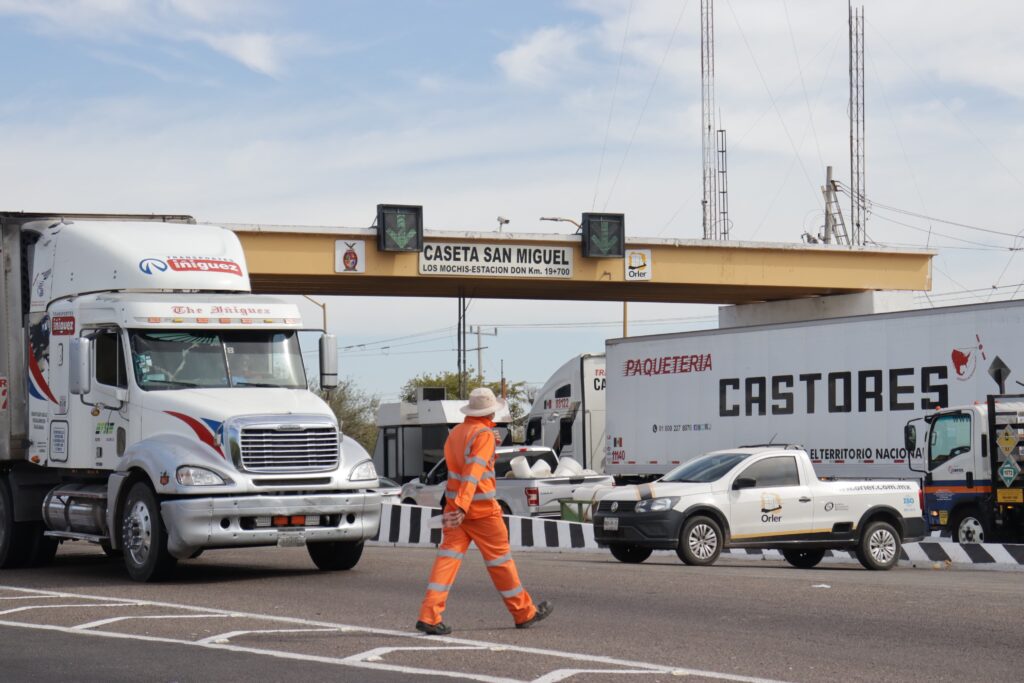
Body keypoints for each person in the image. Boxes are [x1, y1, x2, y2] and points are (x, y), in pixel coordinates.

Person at [416, 387, 553, 635]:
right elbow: (473, 472)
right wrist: (463, 505)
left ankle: (429, 615)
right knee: (501, 563)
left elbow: (462, 466)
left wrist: (456, 506)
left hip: (455, 509)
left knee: (446, 562)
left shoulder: (456, 433)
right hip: (481, 513)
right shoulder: (484, 435)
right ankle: (524, 612)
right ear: (490, 412)